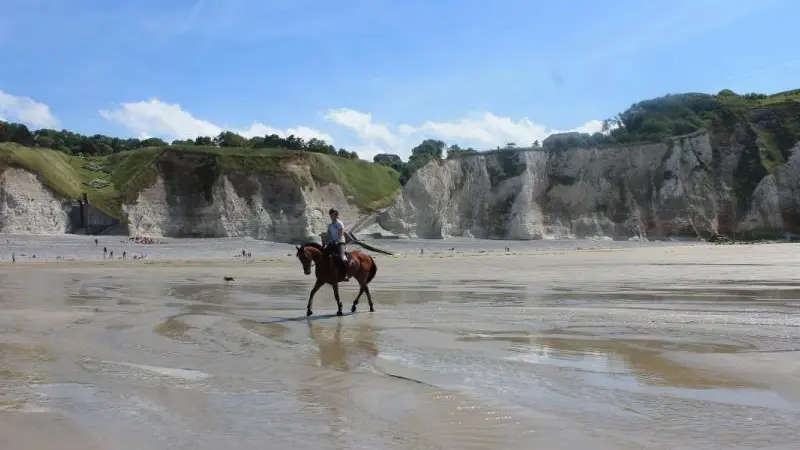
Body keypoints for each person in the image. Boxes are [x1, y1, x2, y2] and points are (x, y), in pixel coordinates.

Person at [326, 208, 349, 281]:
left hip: (340, 242)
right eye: (330, 215)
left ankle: (345, 275)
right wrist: (327, 241)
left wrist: (337, 241)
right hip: (332, 243)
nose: (331, 216)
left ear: (336, 215)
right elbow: (329, 234)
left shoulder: (339, 223)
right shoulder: (330, 225)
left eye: (332, 214)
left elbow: (341, 233)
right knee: (324, 255)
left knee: (342, 258)